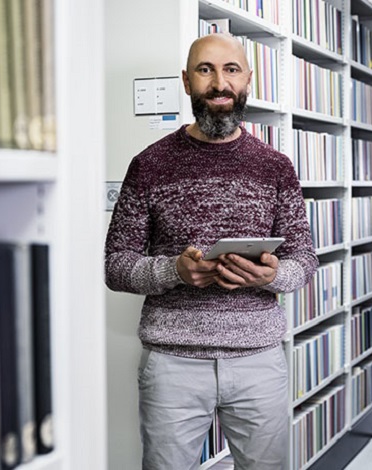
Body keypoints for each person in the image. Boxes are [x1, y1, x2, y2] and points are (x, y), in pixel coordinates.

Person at [104, 33, 318, 469]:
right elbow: (115, 264)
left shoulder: (276, 167)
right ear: (186, 81)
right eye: (206, 70)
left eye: (230, 70)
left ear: (248, 81)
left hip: (259, 362)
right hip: (172, 365)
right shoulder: (149, 164)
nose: (219, 83)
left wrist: (272, 276)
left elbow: (303, 259)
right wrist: (173, 272)